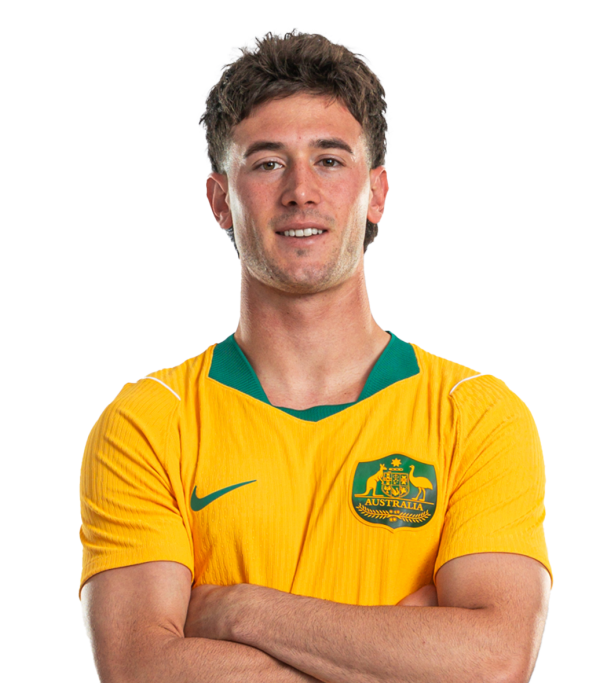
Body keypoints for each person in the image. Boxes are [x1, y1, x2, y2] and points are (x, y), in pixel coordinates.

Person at [79, 29, 552, 682]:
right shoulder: (149, 423)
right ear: (220, 199)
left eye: (329, 160)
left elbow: (494, 661)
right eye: (267, 163)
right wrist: (400, 653)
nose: (301, 190)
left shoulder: (477, 417)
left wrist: (238, 611)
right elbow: (140, 668)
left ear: (376, 192)